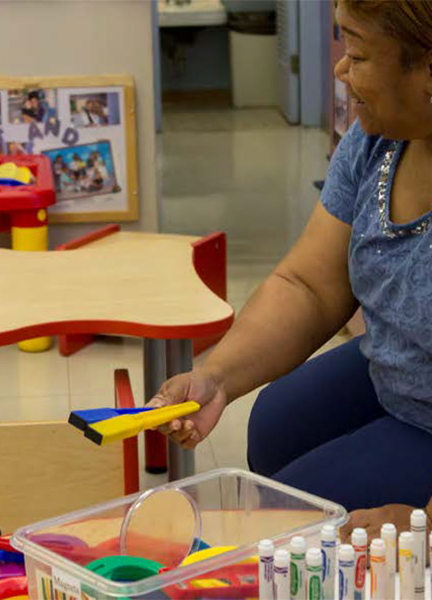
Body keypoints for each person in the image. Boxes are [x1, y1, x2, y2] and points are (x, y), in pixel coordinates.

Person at [151, 0, 432, 540]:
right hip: (403, 367)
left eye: (358, 52)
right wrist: (217, 375)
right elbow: (309, 284)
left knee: (290, 521)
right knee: (276, 426)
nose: (339, 69)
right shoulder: (378, 138)